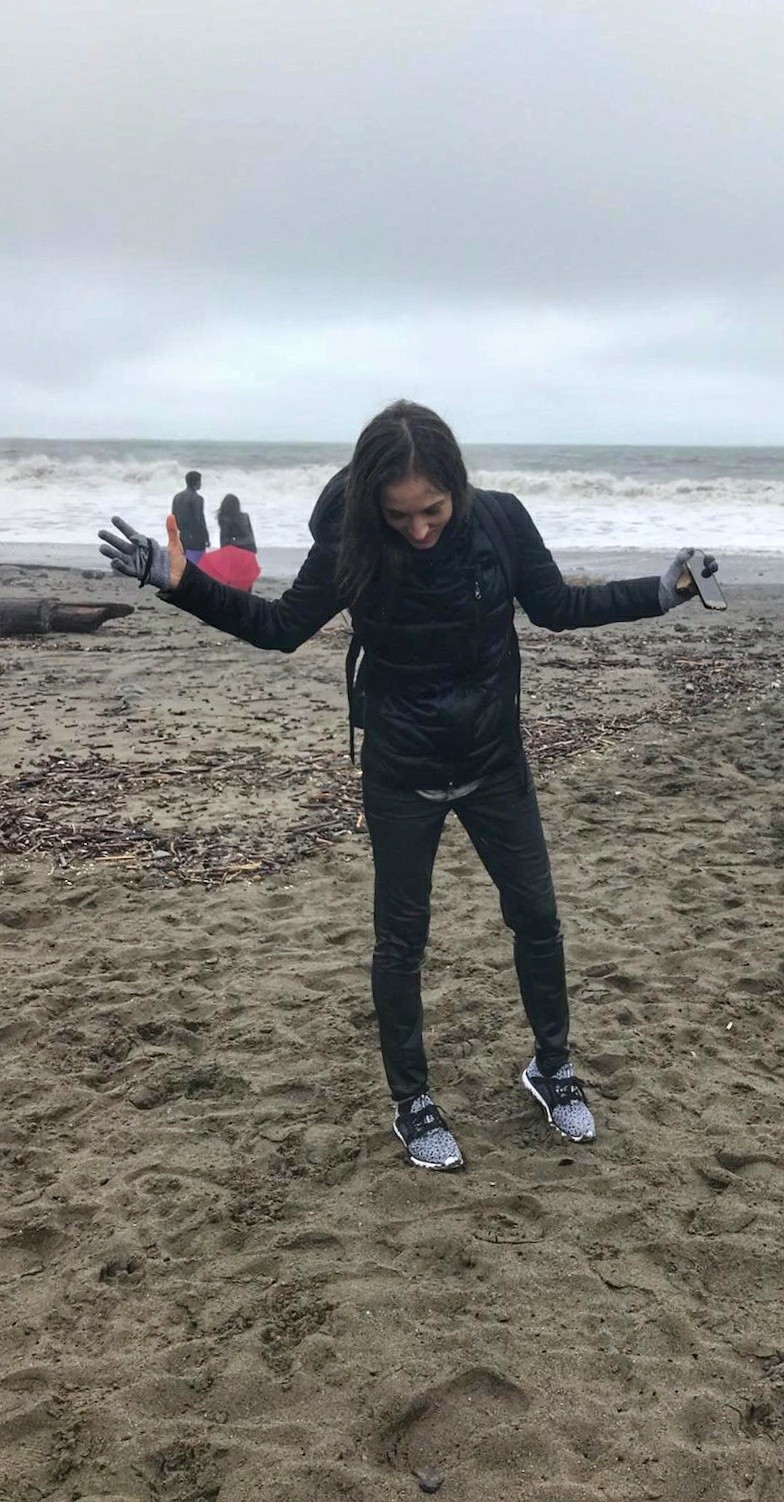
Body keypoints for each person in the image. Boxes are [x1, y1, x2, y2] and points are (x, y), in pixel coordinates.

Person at [98, 401, 718, 1173]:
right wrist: (182, 581)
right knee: (401, 944)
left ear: (457, 487)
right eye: (400, 515)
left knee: (538, 920)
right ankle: (412, 1102)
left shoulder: (499, 522)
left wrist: (663, 591)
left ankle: (553, 1069)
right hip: (402, 771)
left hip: (494, 762)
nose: (419, 528)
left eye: (432, 510)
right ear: (370, 505)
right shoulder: (354, 544)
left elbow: (558, 608)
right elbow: (280, 627)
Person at [171, 471, 210, 563]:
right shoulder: (197, 498)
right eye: (200, 481)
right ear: (196, 483)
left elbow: (173, 517)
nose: (201, 484)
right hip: (196, 537)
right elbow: (199, 519)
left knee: (185, 564)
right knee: (198, 565)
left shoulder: (177, 497)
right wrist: (206, 537)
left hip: (182, 535)